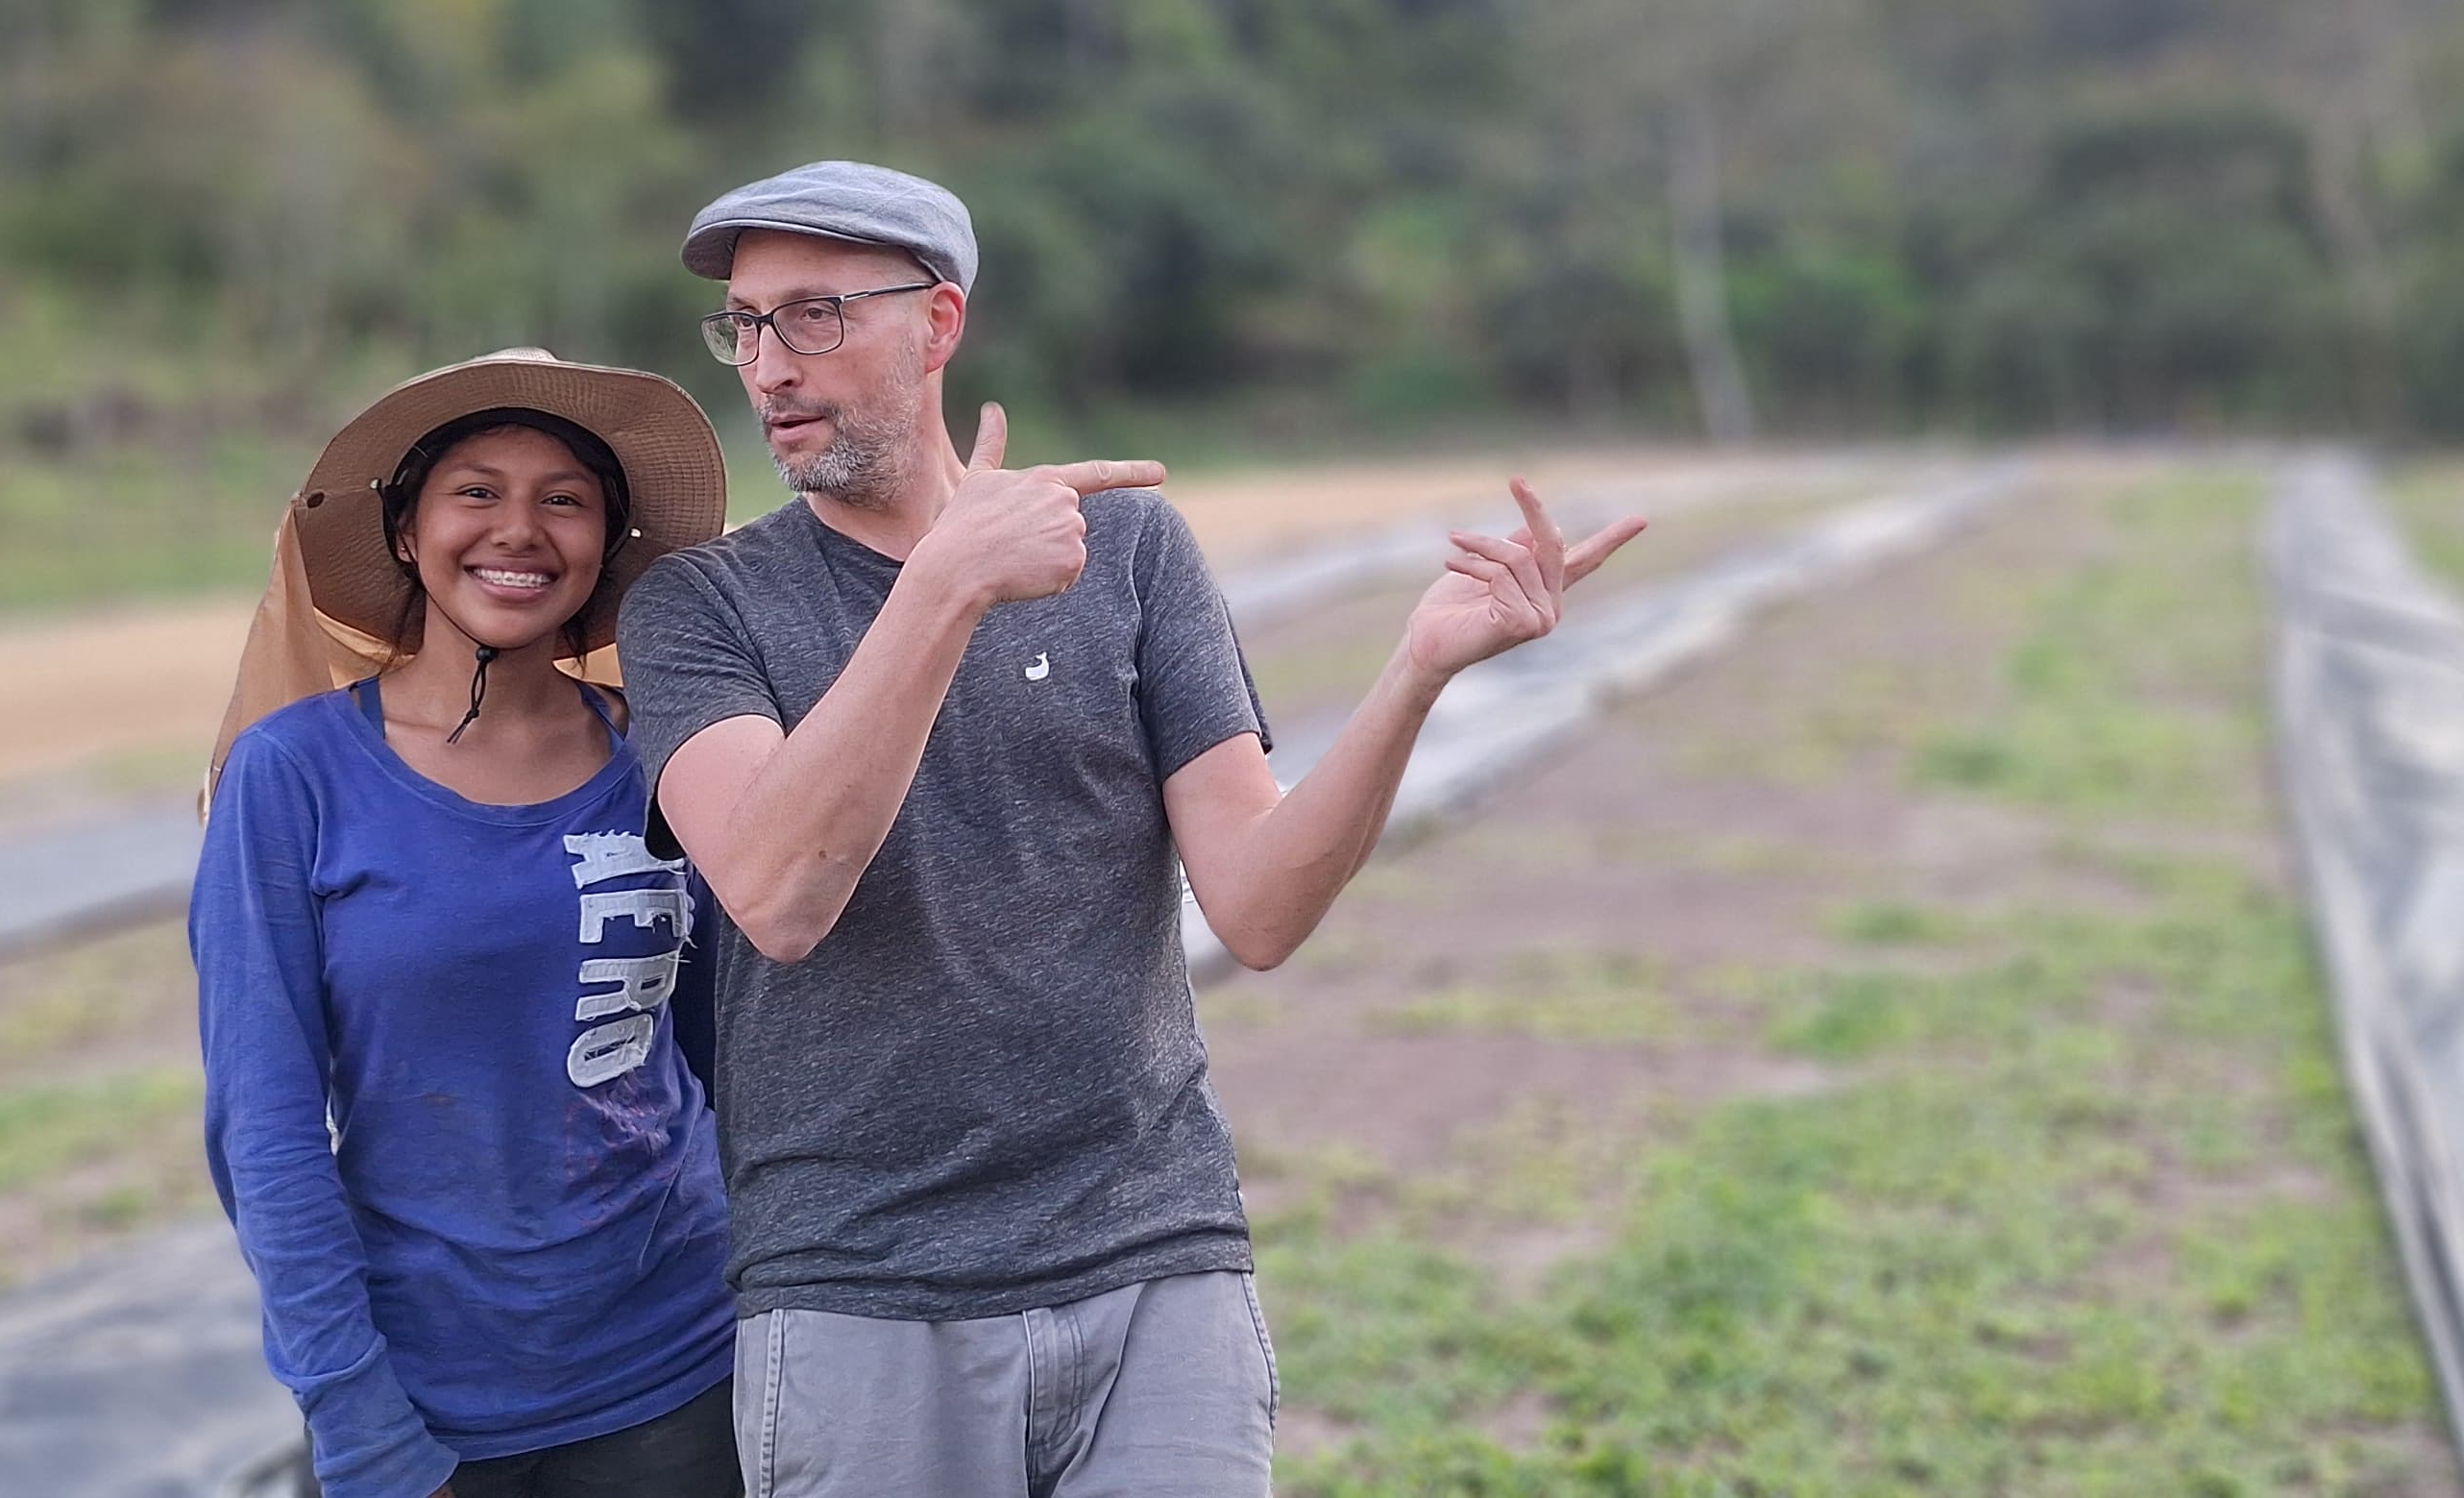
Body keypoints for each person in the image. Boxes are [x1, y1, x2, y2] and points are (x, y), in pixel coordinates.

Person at [617, 161, 1646, 1496]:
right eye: (745, 324)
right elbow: (778, 890)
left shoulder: (1136, 552)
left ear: (937, 324)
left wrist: (1417, 671)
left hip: (1156, 1261)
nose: (768, 364)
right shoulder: (700, 609)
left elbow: (1261, 908)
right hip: (860, 1285)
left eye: (813, 316)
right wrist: (949, 586)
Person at [195, 350, 742, 1498]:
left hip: (687, 1369)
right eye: (478, 491)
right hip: (430, 1393)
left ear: (605, 545)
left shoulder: (662, 753)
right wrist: (363, 1424)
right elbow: (266, 1129)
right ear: (407, 532)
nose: (521, 529)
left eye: (565, 499)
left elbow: (722, 1049)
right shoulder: (293, 775)